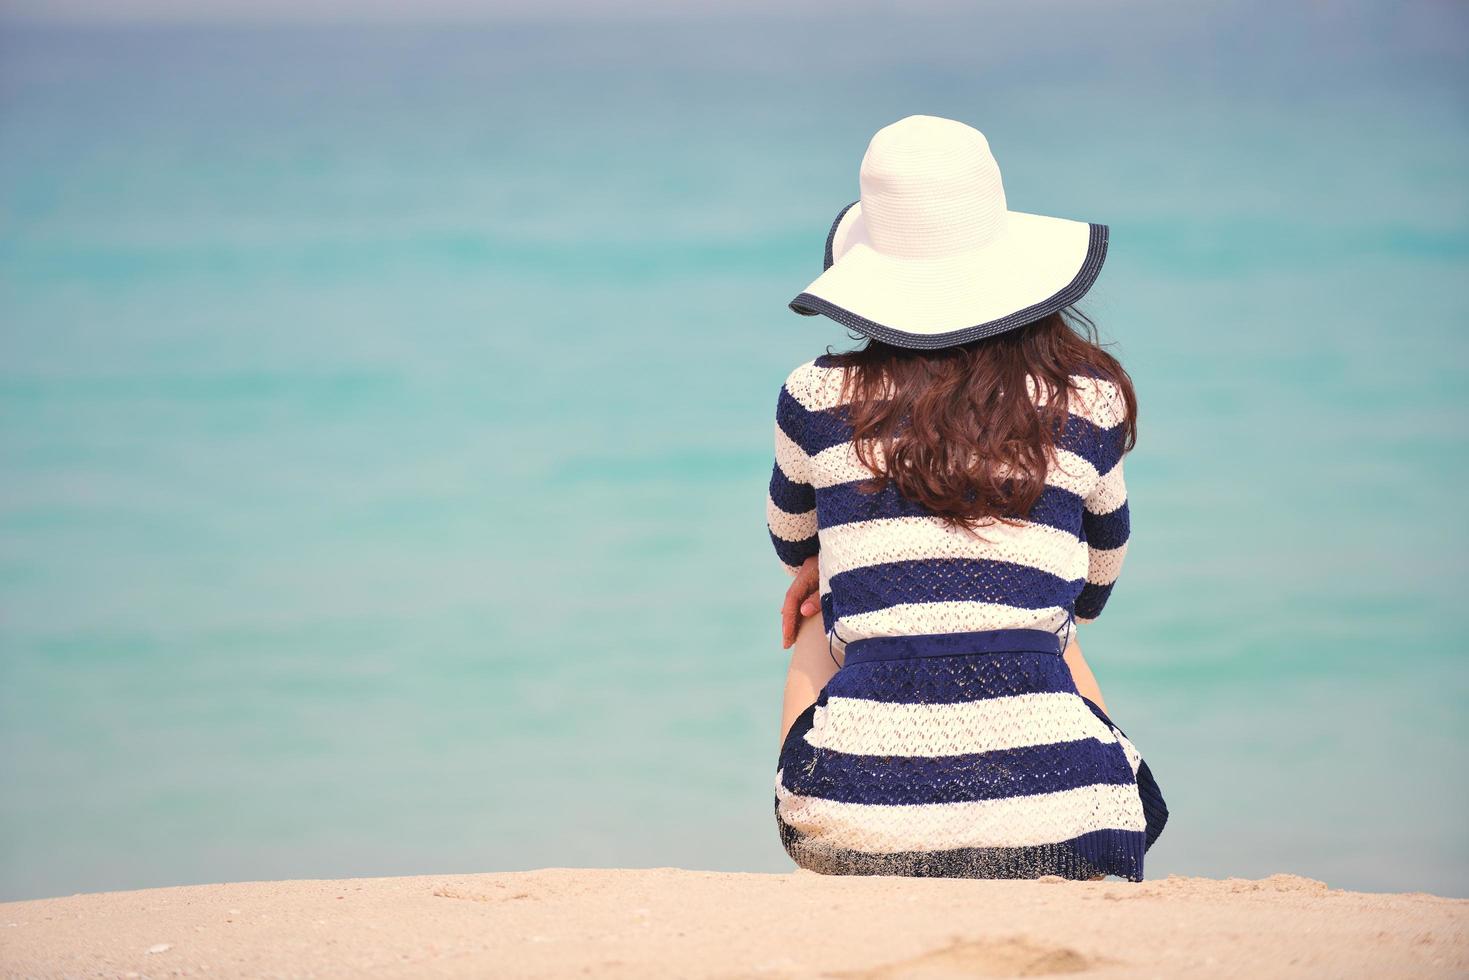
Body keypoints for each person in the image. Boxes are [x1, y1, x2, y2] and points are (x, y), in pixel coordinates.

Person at [765, 115, 1168, 882]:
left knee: (818, 599)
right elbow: (1095, 582)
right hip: (1069, 819)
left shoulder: (814, 393)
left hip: (861, 822)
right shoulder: (1087, 398)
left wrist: (828, 562)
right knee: (1044, 615)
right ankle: (1077, 799)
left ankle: (819, 843)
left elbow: (792, 538)